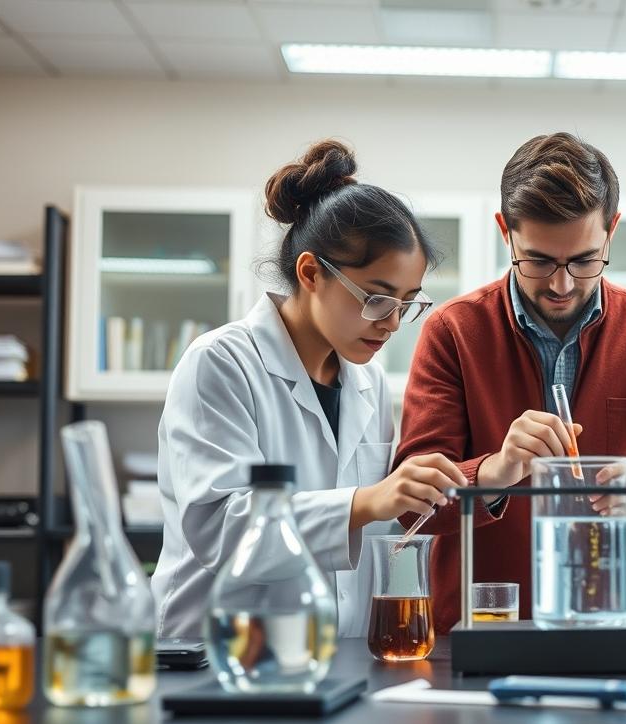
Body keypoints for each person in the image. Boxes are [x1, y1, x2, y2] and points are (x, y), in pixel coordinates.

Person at [152, 139, 466, 639]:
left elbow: (375, 535)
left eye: (408, 303)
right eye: (378, 299)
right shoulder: (220, 362)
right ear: (311, 272)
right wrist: (367, 501)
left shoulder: (366, 380)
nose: (392, 323)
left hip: (330, 652)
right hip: (214, 650)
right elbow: (221, 528)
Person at [393, 132, 626, 633]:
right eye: (538, 260)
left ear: (612, 231)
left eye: (584, 260)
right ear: (505, 231)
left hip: (615, 630)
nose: (562, 285)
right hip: (481, 631)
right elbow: (412, 509)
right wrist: (495, 470)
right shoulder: (453, 331)